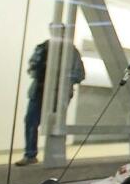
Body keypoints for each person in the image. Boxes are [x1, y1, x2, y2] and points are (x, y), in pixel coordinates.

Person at [14, 30, 85, 166]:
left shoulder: (71, 52)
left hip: (59, 93)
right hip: (39, 91)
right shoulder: (43, 47)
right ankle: (30, 154)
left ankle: (53, 157)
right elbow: (31, 68)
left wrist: (63, 80)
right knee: (30, 121)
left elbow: (79, 74)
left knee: (56, 123)